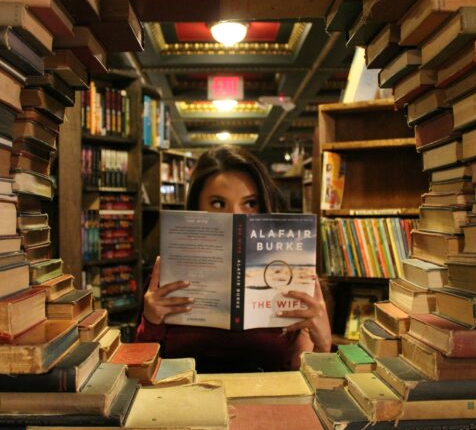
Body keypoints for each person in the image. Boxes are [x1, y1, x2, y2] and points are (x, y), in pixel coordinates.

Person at [135, 144, 332, 372]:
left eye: (249, 203)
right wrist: (150, 322)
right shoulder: (165, 280)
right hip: (186, 402)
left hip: (267, 404)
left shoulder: (293, 273)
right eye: (218, 203)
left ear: (263, 207)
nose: (235, 216)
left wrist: (324, 344)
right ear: (197, 209)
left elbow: (308, 376)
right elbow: (141, 370)